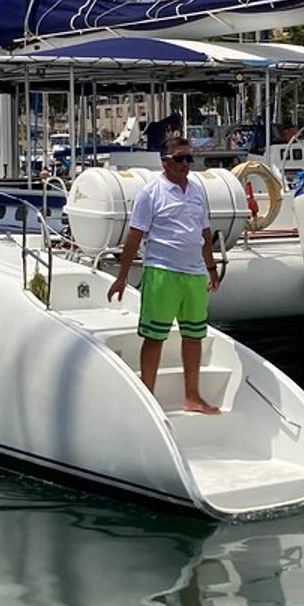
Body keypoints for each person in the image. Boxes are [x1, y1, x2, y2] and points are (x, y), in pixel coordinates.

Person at [107, 139, 223, 413]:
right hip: (162, 272)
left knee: (194, 337)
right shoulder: (150, 193)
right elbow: (134, 236)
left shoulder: (197, 191)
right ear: (165, 161)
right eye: (179, 158)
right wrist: (122, 276)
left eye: (188, 159)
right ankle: (147, 397)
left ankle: (192, 397)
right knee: (155, 337)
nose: (185, 164)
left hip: (194, 274)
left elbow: (204, 233)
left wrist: (211, 268)